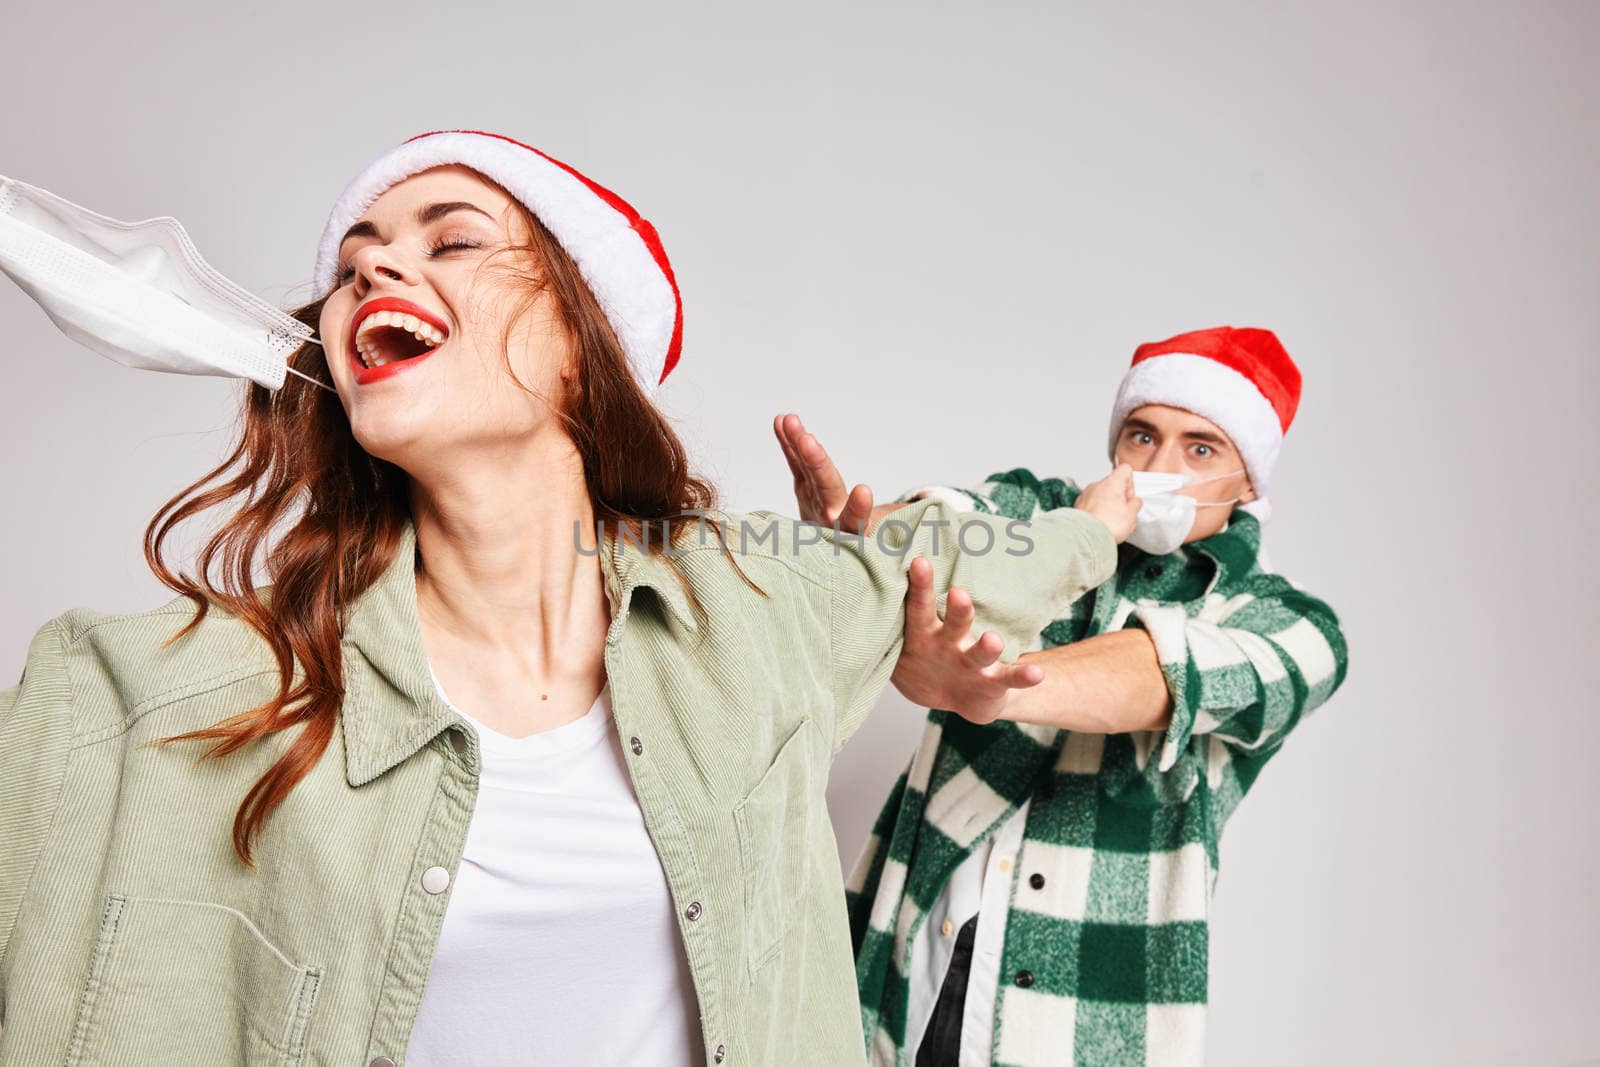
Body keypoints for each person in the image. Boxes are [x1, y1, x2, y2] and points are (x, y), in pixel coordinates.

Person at [0, 129, 1143, 1067]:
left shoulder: (759, 613)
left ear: (577, 347)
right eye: (352, 267)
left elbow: (962, 552)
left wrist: (1098, 520)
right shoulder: (144, 694)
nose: (375, 274)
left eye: (452, 241)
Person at [778, 326, 1351, 1066]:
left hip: (1081, 1017)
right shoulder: (1039, 511)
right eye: (1141, 436)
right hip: (919, 963)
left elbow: (1163, 674)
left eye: (1200, 448)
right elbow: (941, 531)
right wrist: (862, 535)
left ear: (1248, 482)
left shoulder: (1293, 622)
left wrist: (990, 694)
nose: (1158, 467)